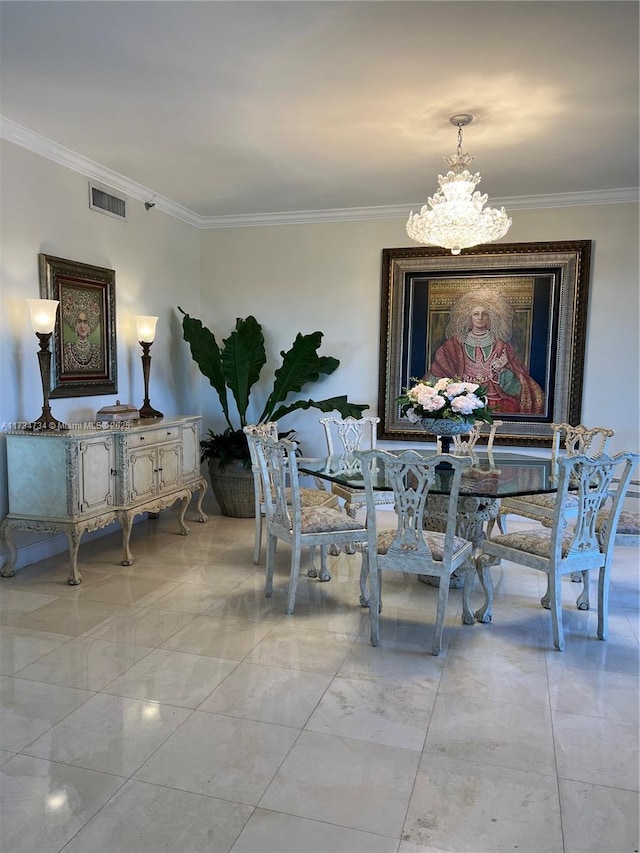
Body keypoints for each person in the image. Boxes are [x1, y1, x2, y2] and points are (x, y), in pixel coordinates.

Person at [427, 288, 545, 415]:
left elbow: (516, 385)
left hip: (496, 399)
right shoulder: (453, 346)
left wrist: (501, 371)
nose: (480, 317)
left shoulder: (502, 347)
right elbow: (438, 375)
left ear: (491, 317)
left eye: (485, 314)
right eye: (475, 314)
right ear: (468, 317)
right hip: (461, 403)